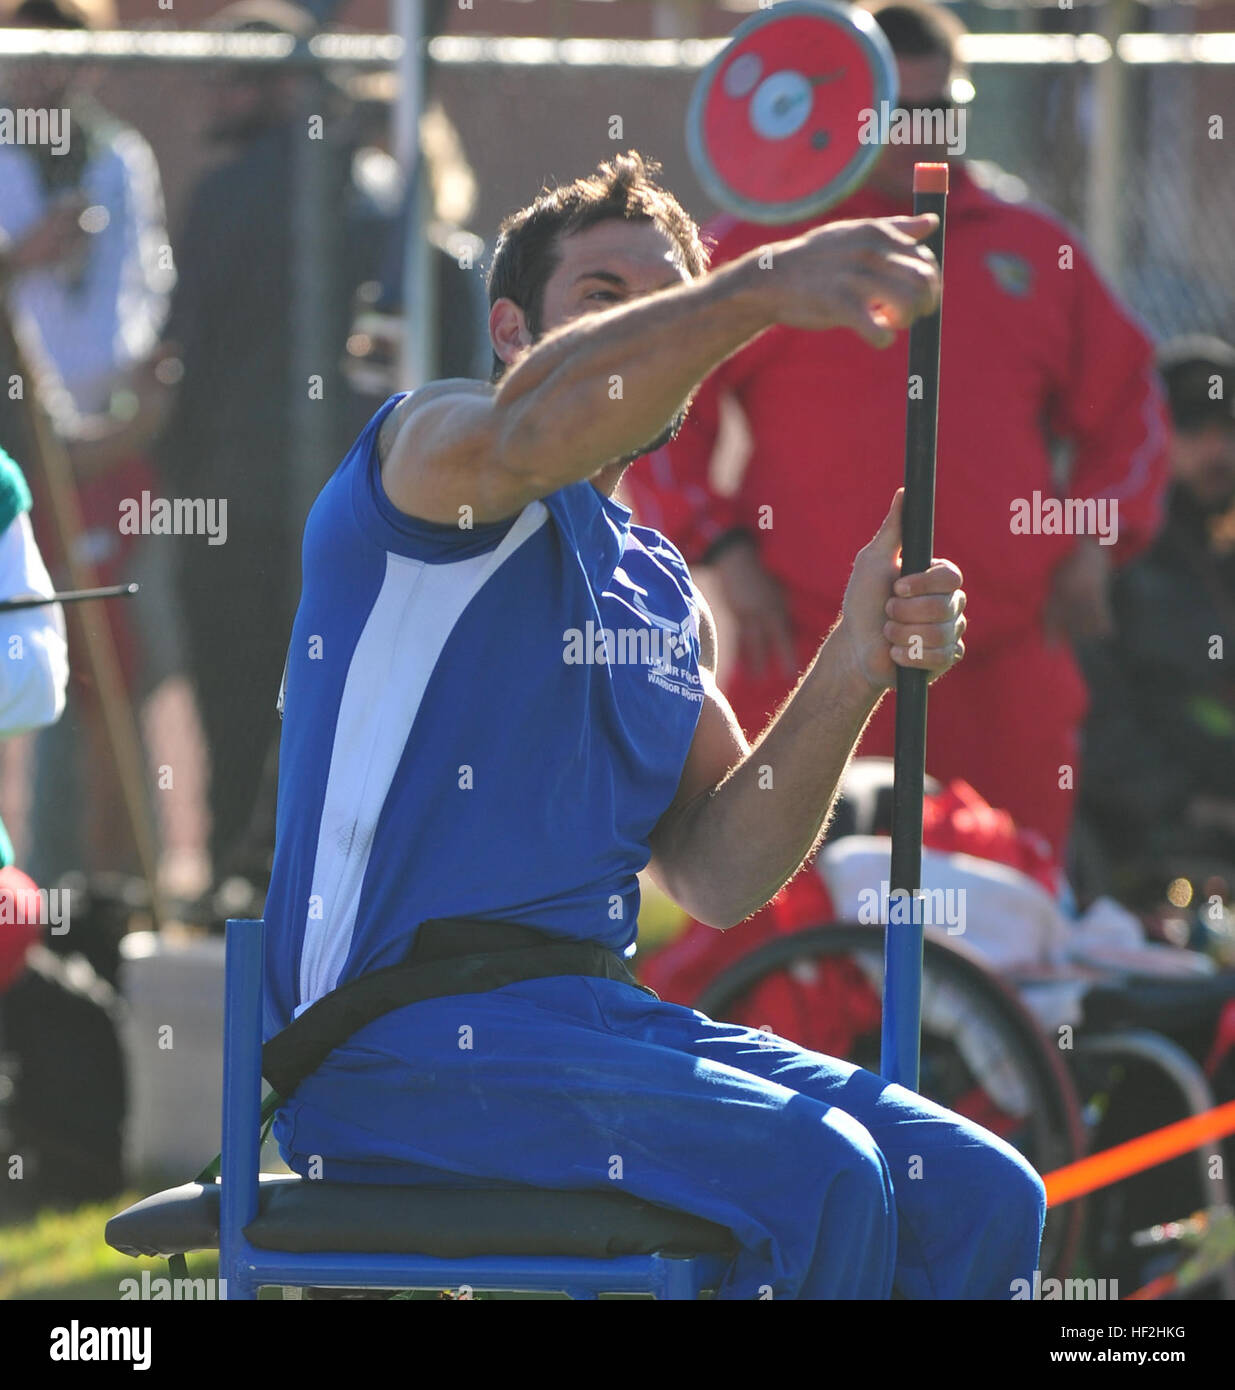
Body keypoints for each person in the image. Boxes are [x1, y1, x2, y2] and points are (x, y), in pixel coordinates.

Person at [261, 149, 1045, 1300]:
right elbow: (530, 438)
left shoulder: (657, 586)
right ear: (511, 327)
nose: (658, 328)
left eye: (671, 296)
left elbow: (721, 870)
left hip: (600, 1025)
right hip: (390, 1047)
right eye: (606, 300)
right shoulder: (429, 454)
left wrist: (854, 657)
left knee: (982, 1192)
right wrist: (755, 285)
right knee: (821, 1176)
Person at [625, 0, 1169, 868]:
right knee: (795, 916)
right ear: (850, 118)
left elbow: (1129, 410)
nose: (926, 137)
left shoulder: (1030, 245)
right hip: (812, 653)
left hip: (997, 654)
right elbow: (652, 404)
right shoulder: (773, 247)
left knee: (1004, 917)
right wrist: (722, 546)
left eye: (942, 111)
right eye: (898, 115)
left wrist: (1091, 538)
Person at [155, 0, 397, 887]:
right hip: (344, 493)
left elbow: (187, 346)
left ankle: (235, 874)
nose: (213, 97)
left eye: (234, 78)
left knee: (236, 694)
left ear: (287, 85)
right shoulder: (370, 185)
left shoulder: (236, 195)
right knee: (327, 693)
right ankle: (310, 878)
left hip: (235, 494)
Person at [0, 0, 176, 884]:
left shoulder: (114, 155)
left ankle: (112, 886)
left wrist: (116, 418)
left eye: (59, 55)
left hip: (95, 449)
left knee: (104, 664)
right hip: (10, 445)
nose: (42, 75)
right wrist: (16, 259)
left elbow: (134, 299)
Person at [1076, 336, 1235, 898]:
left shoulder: (1221, 552)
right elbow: (1094, 715)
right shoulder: (1113, 559)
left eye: (1229, 432)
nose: (1219, 453)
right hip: (1146, 848)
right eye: (1197, 432)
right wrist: (1187, 804)